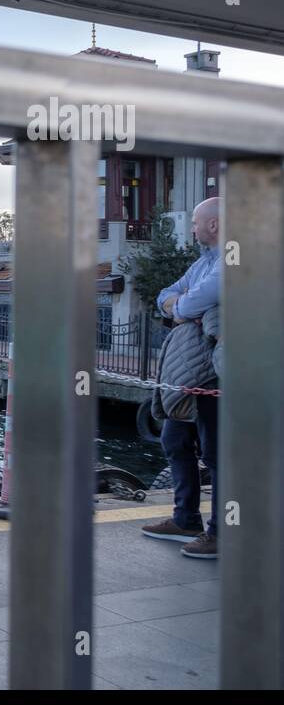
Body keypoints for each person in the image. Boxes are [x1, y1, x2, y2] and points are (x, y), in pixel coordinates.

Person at [142, 196, 220, 559]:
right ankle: (185, 518)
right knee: (174, 438)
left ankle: (221, 533)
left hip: (219, 371)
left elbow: (187, 304)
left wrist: (183, 306)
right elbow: (166, 296)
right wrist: (180, 305)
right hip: (192, 370)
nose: (190, 228)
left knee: (218, 454)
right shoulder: (203, 263)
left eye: (194, 222)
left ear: (214, 225)